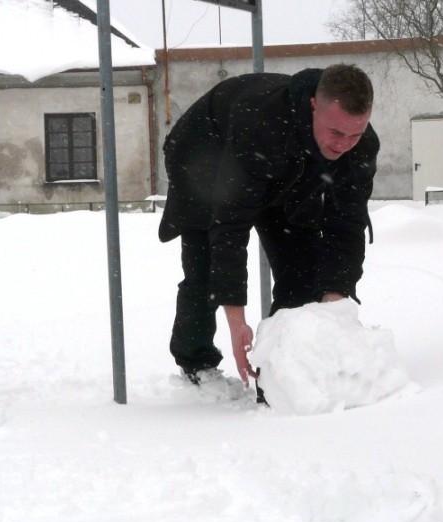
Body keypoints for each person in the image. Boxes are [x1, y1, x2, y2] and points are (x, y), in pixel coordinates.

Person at [159, 64, 379, 396]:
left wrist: (336, 300)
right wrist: (237, 324)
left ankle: (280, 373)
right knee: (206, 273)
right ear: (313, 106)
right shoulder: (262, 124)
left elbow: (346, 224)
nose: (344, 145)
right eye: (336, 133)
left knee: (304, 276)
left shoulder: (359, 145)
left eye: (355, 134)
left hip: (283, 172)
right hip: (206, 155)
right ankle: (196, 363)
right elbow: (229, 226)